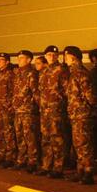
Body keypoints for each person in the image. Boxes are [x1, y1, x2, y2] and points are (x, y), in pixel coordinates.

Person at [63, 46, 97, 184]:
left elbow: (90, 96)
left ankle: (88, 172)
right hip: (75, 114)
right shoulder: (72, 73)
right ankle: (81, 171)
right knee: (78, 144)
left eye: (66, 56)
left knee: (84, 144)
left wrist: (90, 110)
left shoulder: (81, 73)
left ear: (73, 57)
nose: (65, 59)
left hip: (82, 114)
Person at [37, 46, 69, 178]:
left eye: (54, 55)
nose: (51, 56)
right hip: (45, 110)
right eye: (49, 54)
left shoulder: (61, 70)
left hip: (56, 109)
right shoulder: (43, 71)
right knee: (45, 138)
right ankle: (46, 165)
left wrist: (60, 104)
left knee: (57, 139)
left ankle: (58, 167)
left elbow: (66, 90)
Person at [12, 50, 40, 172]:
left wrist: (36, 107)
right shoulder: (18, 73)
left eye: (22, 58)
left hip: (28, 110)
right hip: (18, 110)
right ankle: (21, 159)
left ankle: (32, 161)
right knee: (19, 136)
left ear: (29, 60)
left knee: (30, 137)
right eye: (18, 58)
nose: (19, 60)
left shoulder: (31, 74)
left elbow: (35, 92)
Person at [0, 53, 16, 167]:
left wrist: (10, 106)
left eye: (2, 60)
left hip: (7, 108)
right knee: (0, 132)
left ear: (7, 62)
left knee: (8, 132)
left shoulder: (11, 75)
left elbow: (14, 92)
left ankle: (10, 156)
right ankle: (2, 154)